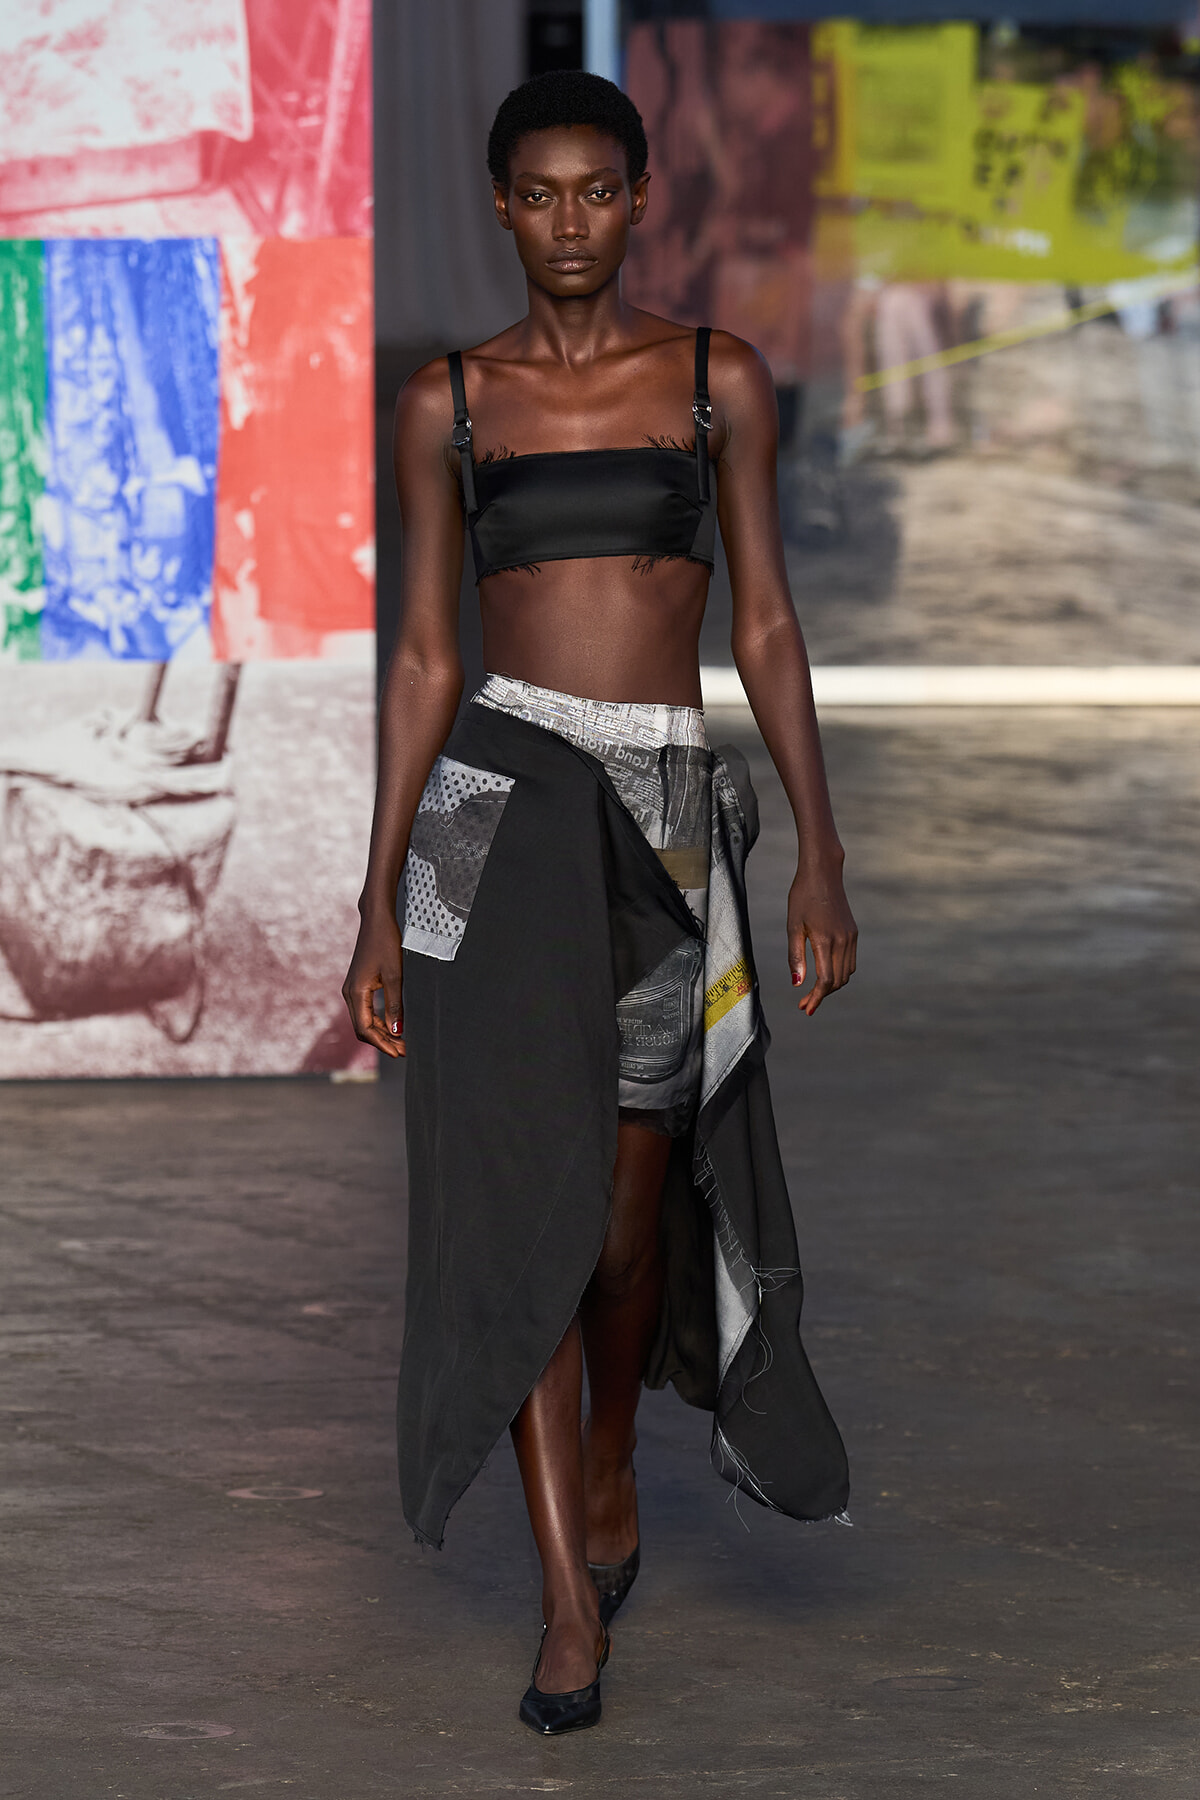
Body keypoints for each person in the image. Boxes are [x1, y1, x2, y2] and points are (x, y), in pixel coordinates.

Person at [343, 70, 856, 1737]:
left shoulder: (717, 383)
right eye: (537, 194)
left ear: (641, 201)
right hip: (492, 809)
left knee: (630, 1220)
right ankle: (568, 1600)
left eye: (597, 191)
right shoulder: (451, 404)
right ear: (501, 206)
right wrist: (374, 902)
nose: (569, 220)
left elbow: (766, 625)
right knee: (512, 1214)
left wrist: (823, 849)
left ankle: (621, 1457)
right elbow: (428, 654)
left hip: (660, 807)